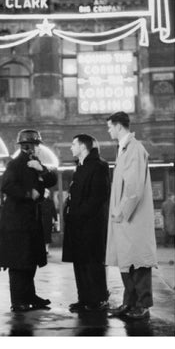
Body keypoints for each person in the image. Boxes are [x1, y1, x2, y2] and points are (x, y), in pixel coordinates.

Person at [0, 129, 57, 312]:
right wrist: (28, 194)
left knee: (29, 262)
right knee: (18, 264)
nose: (39, 148)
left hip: (29, 222)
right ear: (29, 146)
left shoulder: (34, 163)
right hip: (16, 223)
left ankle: (30, 296)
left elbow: (51, 180)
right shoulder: (15, 164)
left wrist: (42, 169)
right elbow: (6, 186)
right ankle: (18, 301)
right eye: (37, 145)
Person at [105, 112, 158, 320]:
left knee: (139, 262)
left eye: (110, 126)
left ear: (119, 126)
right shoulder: (124, 149)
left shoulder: (134, 149)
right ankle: (129, 303)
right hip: (125, 220)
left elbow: (134, 188)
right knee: (128, 261)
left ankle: (142, 305)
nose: (108, 130)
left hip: (132, 218)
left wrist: (121, 211)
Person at [62, 134, 111, 312]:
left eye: (74, 144)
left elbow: (98, 196)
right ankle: (83, 299)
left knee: (93, 263)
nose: (71, 147)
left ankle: (97, 299)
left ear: (83, 146)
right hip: (77, 224)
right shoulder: (80, 166)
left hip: (91, 225)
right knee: (80, 263)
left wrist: (79, 213)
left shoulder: (99, 166)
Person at [40, 189, 57, 255]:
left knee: (47, 235)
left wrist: (55, 220)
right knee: (42, 235)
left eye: (47, 192)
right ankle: (43, 249)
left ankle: (46, 249)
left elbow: (54, 211)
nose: (46, 194)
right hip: (41, 220)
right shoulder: (40, 200)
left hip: (48, 220)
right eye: (45, 192)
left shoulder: (50, 201)